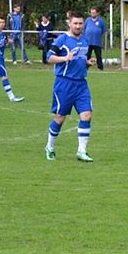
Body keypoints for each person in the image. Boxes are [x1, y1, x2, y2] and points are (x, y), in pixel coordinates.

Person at [43, 11, 94, 163]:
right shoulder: (62, 39)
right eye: (75, 23)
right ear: (69, 24)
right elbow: (49, 57)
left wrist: (87, 63)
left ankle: (82, 151)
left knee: (87, 115)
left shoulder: (85, 41)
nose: (78, 26)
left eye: (80, 23)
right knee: (60, 117)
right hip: (64, 83)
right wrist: (65, 58)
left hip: (81, 84)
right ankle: (50, 147)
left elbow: (80, 60)